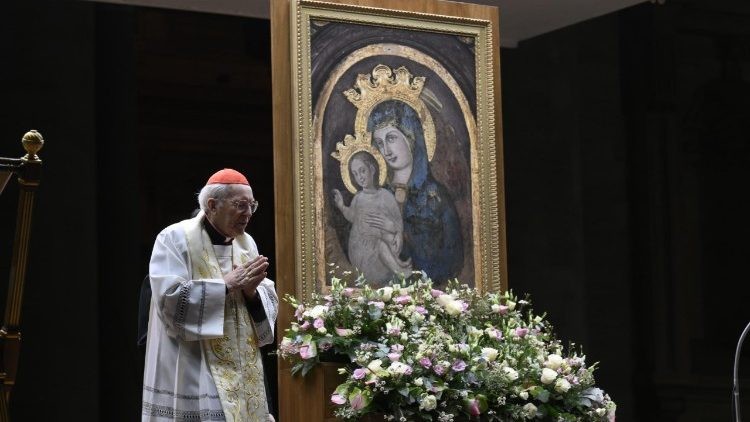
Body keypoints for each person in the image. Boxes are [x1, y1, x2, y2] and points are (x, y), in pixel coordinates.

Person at [142, 168, 278, 422]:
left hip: (240, 367)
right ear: (212, 205)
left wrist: (251, 294)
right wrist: (224, 285)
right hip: (194, 364)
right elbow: (168, 299)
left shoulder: (246, 243)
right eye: (240, 205)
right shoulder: (175, 238)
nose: (248, 214)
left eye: (252, 205)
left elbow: (264, 298)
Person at [367, 100, 464, 284]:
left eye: (391, 138)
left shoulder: (436, 197)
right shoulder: (378, 196)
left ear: (411, 136)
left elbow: (454, 260)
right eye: (379, 143)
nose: (386, 151)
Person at [332, 150, 411, 284]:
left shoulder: (386, 196)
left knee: (388, 237)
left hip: (380, 247)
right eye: (355, 174)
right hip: (362, 250)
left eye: (362, 171)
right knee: (380, 244)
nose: (360, 177)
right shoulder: (358, 198)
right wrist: (341, 206)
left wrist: (396, 232)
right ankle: (399, 270)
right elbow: (352, 216)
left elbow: (398, 222)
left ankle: (397, 263)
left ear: (372, 169)